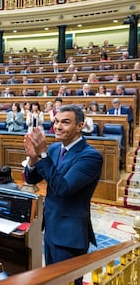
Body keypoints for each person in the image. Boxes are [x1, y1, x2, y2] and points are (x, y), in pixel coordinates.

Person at [24, 104, 103, 285]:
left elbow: (62, 188)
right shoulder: (53, 149)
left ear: (80, 126)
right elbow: (32, 179)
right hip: (51, 228)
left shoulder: (90, 156)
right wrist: (32, 159)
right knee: (51, 280)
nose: (58, 127)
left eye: (65, 122)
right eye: (56, 121)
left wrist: (42, 155)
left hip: (70, 235)